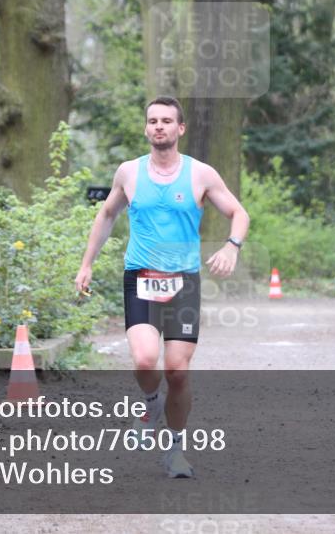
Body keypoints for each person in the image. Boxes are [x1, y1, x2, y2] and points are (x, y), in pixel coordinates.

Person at [74, 96, 249, 478]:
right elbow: (106, 215)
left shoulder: (201, 174)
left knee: (178, 371)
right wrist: (86, 264)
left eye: (167, 121)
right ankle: (151, 404)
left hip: (183, 281)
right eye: (152, 120)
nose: (159, 126)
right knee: (143, 360)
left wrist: (232, 246)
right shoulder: (129, 173)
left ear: (180, 129)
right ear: (146, 128)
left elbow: (238, 213)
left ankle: (175, 451)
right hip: (141, 277)